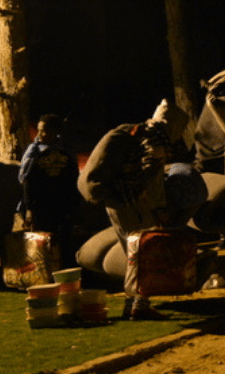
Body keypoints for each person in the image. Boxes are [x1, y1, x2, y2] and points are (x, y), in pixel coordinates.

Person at [79, 100, 189, 320]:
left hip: (114, 200)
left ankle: (131, 302)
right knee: (143, 254)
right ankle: (141, 304)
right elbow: (152, 179)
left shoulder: (134, 130)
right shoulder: (156, 139)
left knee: (131, 253)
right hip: (132, 204)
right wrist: (159, 208)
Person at [18, 114, 80, 269]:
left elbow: (73, 178)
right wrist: (29, 208)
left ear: (55, 131)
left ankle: (67, 276)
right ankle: (45, 275)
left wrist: (74, 205)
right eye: (39, 130)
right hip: (41, 207)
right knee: (43, 245)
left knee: (65, 242)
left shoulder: (66, 150)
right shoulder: (33, 152)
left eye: (45, 130)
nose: (41, 134)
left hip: (63, 205)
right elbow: (26, 180)